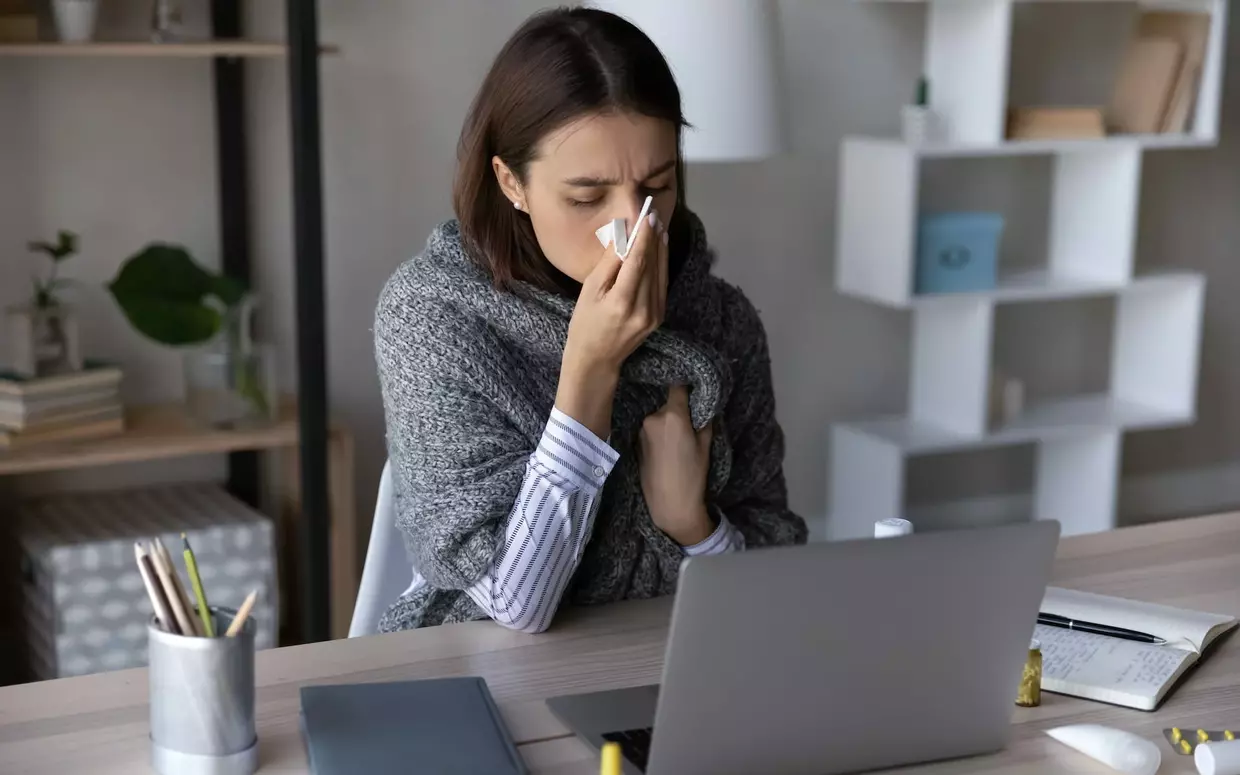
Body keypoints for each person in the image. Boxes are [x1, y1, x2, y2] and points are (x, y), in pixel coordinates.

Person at [374, 7, 807, 634]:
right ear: (511, 184)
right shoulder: (436, 320)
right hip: (488, 675)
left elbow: (775, 584)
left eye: (656, 185)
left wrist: (693, 525)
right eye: (586, 197)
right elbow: (517, 608)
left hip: (674, 669)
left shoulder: (722, 321)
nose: (632, 227)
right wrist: (591, 369)